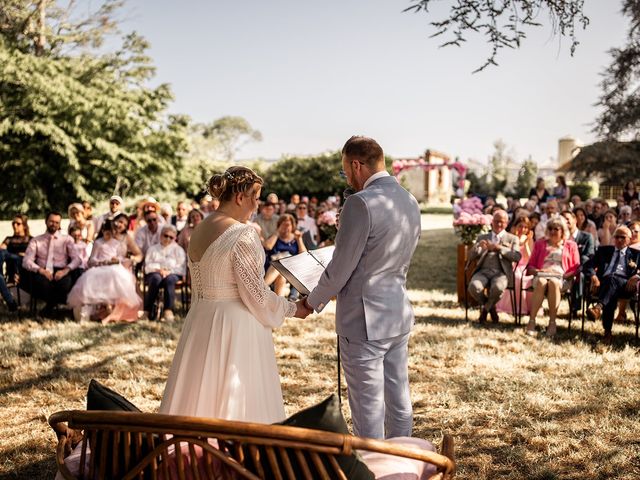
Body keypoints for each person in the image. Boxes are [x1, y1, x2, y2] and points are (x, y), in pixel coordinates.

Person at [160, 166, 308, 423]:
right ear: (240, 197)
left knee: (199, 392)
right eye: (256, 197)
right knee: (236, 399)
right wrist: (293, 308)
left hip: (200, 319)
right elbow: (256, 295)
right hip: (235, 326)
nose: (257, 204)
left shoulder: (201, 228)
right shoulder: (243, 233)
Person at [301, 136, 421, 440]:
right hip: (397, 312)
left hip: (363, 320)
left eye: (345, 172)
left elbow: (341, 267)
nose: (347, 179)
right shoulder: (409, 199)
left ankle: (372, 468)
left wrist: (311, 301)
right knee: (399, 402)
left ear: (356, 165)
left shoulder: (360, 202)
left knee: (367, 409)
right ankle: (403, 463)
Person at [67, 220, 142, 323]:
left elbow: (119, 257)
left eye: (111, 233)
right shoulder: (98, 243)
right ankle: (100, 309)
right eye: (107, 233)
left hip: (113, 268)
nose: (109, 236)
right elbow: (91, 260)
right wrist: (102, 262)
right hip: (100, 268)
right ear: (102, 231)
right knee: (92, 278)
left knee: (117, 276)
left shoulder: (116, 243)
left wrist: (117, 260)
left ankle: (112, 309)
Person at [525, 217, 580, 337]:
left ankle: (552, 322)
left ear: (563, 231)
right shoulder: (540, 243)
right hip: (542, 275)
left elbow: (576, 267)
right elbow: (531, 265)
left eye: (556, 228)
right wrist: (537, 270)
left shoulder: (571, 245)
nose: (553, 231)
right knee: (541, 282)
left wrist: (566, 275)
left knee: (554, 283)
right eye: (550, 228)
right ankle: (531, 321)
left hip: (562, 278)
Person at [586, 225, 640, 344]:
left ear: (630, 239)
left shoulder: (636, 254)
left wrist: (636, 276)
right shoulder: (604, 251)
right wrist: (594, 277)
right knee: (610, 283)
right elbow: (588, 265)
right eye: (617, 237)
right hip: (603, 284)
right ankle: (607, 332)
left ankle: (599, 310)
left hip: (626, 286)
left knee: (612, 279)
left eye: (623, 237)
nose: (619, 240)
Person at [21, 211, 82, 317]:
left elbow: (77, 259)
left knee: (65, 285)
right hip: (42, 270)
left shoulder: (67, 239)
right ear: (46, 221)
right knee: (43, 285)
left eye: (57, 222)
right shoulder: (36, 240)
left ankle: (48, 308)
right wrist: (41, 270)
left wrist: (65, 270)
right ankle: (54, 309)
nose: (54, 224)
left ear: (60, 224)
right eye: (51, 221)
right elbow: (26, 261)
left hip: (61, 270)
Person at [467, 210, 522, 323]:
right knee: (473, 287)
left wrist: (499, 248)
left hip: (501, 272)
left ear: (506, 223)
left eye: (502, 222)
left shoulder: (512, 238)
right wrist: (478, 249)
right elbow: (471, 257)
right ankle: (491, 308)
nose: (499, 224)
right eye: (496, 221)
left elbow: (517, 257)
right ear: (492, 222)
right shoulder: (482, 236)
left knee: (497, 288)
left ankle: (485, 311)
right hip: (483, 271)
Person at [143, 225, 186, 322]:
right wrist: (159, 269)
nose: (168, 239)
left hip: (173, 273)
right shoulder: (152, 249)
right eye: (166, 235)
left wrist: (168, 271)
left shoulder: (178, 250)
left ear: (175, 238)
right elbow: (147, 266)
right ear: (161, 235)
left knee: (169, 280)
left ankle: (168, 310)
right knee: (156, 279)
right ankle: (147, 311)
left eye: (171, 237)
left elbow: (181, 268)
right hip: (155, 273)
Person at [495, 215, 533, 317]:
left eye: (525, 227)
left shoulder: (528, 239)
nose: (522, 229)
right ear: (515, 227)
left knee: (522, 277)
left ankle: (524, 307)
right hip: (511, 265)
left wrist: (525, 244)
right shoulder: (510, 238)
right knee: (515, 276)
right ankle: (510, 307)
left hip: (524, 266)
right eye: (520, 226)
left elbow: (529, 258)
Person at [263, 214, 307, 297]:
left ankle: (262, 288)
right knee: (280, 273)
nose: (286, 227)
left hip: (291, 269)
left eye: (288, 225)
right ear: (279, 225)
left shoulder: (296, 238)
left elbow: (304, 255)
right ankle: (279, 304)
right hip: (273, 268)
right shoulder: (275, 236)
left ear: (292, 226)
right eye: (283, 224)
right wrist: (277, 233)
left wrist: (299, 239)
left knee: (280, 266)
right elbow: (268, 246)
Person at [561, 210, 595, 316]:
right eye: (562, 219)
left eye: (567, 219)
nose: (565, 221)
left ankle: (574, 309)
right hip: (562, 268)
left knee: (579, 273)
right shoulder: (560, 238)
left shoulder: (587, 237)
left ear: (575, 220)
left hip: (580, 268)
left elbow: (589, 255)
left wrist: (576, 266)